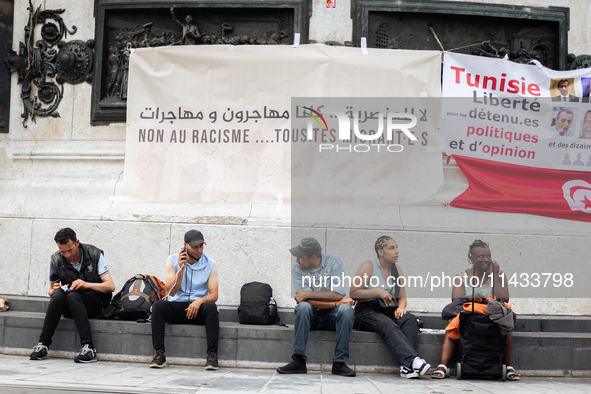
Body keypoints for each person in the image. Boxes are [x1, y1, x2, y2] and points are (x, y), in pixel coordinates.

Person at [431, 240, 519, 381]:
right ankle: (443, 365)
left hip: (492, 315)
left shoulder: (499, 275)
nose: (486, 260)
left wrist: (494, 276)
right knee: (454, 323)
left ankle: (508, 366)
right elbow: (456, 299)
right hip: (470, 315)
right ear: (471, 259)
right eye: (481, 257)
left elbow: (504, 298)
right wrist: (472, 297)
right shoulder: (462, 276)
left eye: (488, 256)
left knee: (506, 322)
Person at [29, 228, 115, 363]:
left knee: (72, 296)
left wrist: (86, 284)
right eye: (63, 251)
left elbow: (110, 286)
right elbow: (51, 291)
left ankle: (89, 347)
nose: (67, 255)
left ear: (77, 243)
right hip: (71, 305)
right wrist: (53, 291)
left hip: (95, 304)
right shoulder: (56, 259)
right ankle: (43, 344)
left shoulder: (94, 254)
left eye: (70, 250)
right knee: (59, 294)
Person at [350, 236, 430, 379]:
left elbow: (402, 297)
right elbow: (353, 292)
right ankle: (413, 361)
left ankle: (406, 368)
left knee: (409, 319)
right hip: (366, 311)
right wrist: (378, 291)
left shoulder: (396, 269)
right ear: (381, 252)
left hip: (388, 310)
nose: (396, 251)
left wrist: (401, 307)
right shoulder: (369, 266)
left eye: (397, 247)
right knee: (388, 324)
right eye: (391, 248)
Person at [276, 237, 356, 377]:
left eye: (300, 257)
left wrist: (310, 294)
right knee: (303, 308)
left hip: (332, 317)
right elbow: (303, 300)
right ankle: (299, 360)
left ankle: (339, 363)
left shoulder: (334, 262)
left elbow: (337, 294)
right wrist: (336, 302)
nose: (296, 260)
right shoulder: (297, 268)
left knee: (346, 310)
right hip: (310, 317)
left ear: (313, 257)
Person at [149, 230, 219, 369]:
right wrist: (181, 269)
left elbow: (214, 295)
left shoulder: (211, 264)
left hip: (198, 309)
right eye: (195, 247)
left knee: (211, 307)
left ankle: (212, 356)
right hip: (178, 307)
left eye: (201, 246)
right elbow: (172, 292)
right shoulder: (172, 260)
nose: (199, 250)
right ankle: (160, 354)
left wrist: (198, 302)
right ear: (185, 245)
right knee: (158, 306)